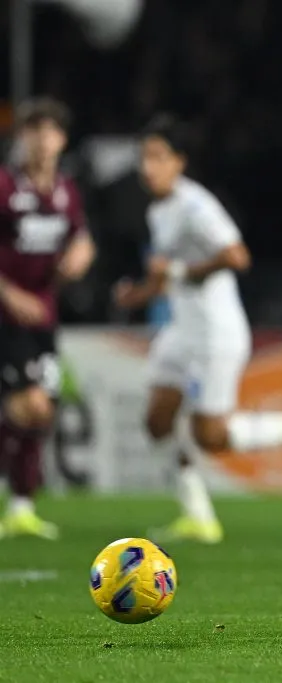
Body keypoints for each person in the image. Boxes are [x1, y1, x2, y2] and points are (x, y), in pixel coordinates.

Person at [114, 115, 282, 544]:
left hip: (216, 334)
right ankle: (197, 515)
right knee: (158, 419)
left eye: (158, 157)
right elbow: (165, 277)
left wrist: (181, 269)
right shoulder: (158, 210)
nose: (148, 167)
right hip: (182, 331)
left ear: (179, 161)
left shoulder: (197, 206)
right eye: (144, 157)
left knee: (211, 436)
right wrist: (138, 295)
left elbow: (237, 256)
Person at [0, 98, 95, 540]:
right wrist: (10, 293)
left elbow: (81, 237)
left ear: (62, 139)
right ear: (21, 138)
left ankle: (21, 508)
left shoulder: (65, 192)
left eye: (50, 131)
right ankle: (19, 500)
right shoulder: (5, 186)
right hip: (6, 317)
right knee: (31, 405)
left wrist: (81, 254)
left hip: (43, 319)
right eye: (33, 131)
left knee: (41, 411)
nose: (42, 140)